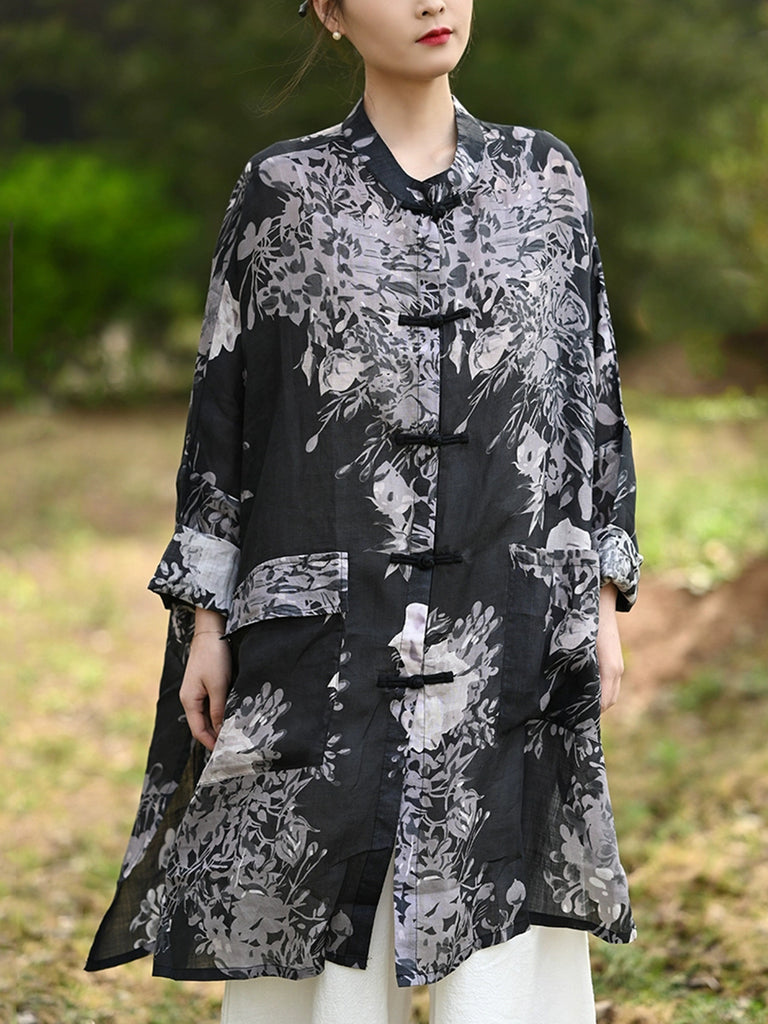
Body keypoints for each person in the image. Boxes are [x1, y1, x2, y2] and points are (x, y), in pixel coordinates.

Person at [86, 1, 642, 1021]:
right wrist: (206, 624)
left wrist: (602, 599)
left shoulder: (544, 180)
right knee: (315, 949)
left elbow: (589, 400)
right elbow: (226, 417)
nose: (434, 2)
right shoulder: (282, 192)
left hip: (507, 627)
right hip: (328, 640)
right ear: (330, 12)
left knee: (505, 942)